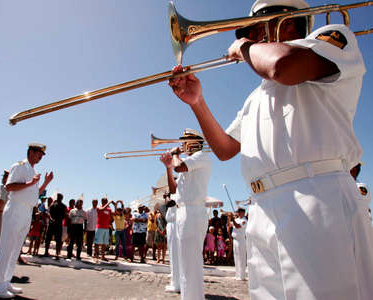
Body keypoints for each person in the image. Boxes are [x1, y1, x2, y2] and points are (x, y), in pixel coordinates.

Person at [168, 0, 373, 299]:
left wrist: (242, 46)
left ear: (286, 23)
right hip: (263, 208)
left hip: (317, 198)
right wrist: (197, 102)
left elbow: (282, 65)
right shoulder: (256, 97)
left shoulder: (334, 37)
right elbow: (225, 149)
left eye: (254, 31)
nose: (251, 39)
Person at [0, 143, 53, 299]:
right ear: (31, 152)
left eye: (42, 155)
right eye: (39, 153)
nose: (40, 156)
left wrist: (45, 183)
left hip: (27, 210)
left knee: (15, 248)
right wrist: (31, 183)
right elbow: (10, 186)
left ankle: (6, 282)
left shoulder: (33, 171)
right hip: (15, 208)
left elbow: (34, 193)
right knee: (6, 247)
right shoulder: (19, 166)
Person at [160, 128, 211, 300]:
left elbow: (179, 167)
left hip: (193, 210)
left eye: (184, 142)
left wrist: (174, 155)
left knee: (191, 262)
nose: (181, 145)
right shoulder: (188, 161)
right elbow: (174, 189)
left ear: (195, 142)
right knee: (184, 262)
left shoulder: (200, 157)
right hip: (184, 211)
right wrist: (168, 168)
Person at [164, 192, 180, 293]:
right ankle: (175, 281)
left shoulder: (176, 195)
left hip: (175, 224)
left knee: (175, 255)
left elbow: (169, 203)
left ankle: (176, 284)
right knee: (172, 254)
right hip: (171, 224)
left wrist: (166, 196)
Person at [44, 193, 67, 259]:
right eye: (58, 197)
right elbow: (48, 212)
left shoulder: (63, 206)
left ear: (62, 198)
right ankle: (46, 252)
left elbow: (64, 215)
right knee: (48, 238)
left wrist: (58, 220)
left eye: (60, 197)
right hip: (51, 224)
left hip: (59, 224)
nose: (59, 198)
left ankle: (57, 253)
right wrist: (50, 218)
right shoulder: (52, 205)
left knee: (58, 240)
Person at [94, 197, 113, 262]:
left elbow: (112, 217)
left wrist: (115, 206)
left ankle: (102, 256)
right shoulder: (99, 207)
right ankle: (96, 256)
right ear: (101, 201)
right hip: (99, 227)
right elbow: (102, 209)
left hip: (106, 228)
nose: (105, 202)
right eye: (104, 201)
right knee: (97, 243)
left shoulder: (109, 209)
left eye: (106, 201)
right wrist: (109, 202)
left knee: (104, 243)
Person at [231, 208, 247, 280]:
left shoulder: (244, 220)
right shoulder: (236, 219)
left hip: (241, 240)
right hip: (235, 240)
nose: (238, 213)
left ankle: (242, 276)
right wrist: (229, 218)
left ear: (243, 212)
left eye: (239, 212)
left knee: (241, 258)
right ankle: (237, 275)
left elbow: (237, 226)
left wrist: (232, 219)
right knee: (236, 257)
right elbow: (229, 225)